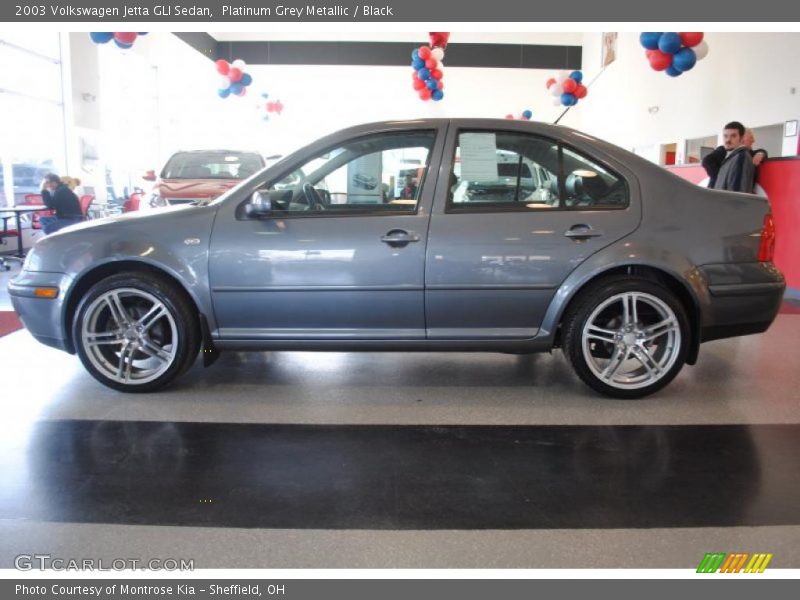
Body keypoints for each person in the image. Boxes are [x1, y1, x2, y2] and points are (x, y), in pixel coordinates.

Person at [702, 121, 755, 193]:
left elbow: (737, 193)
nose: (728, 140)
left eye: (733, 136)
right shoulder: (731, 156)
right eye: (725, 136)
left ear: (742, 138)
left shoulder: (741, 157)